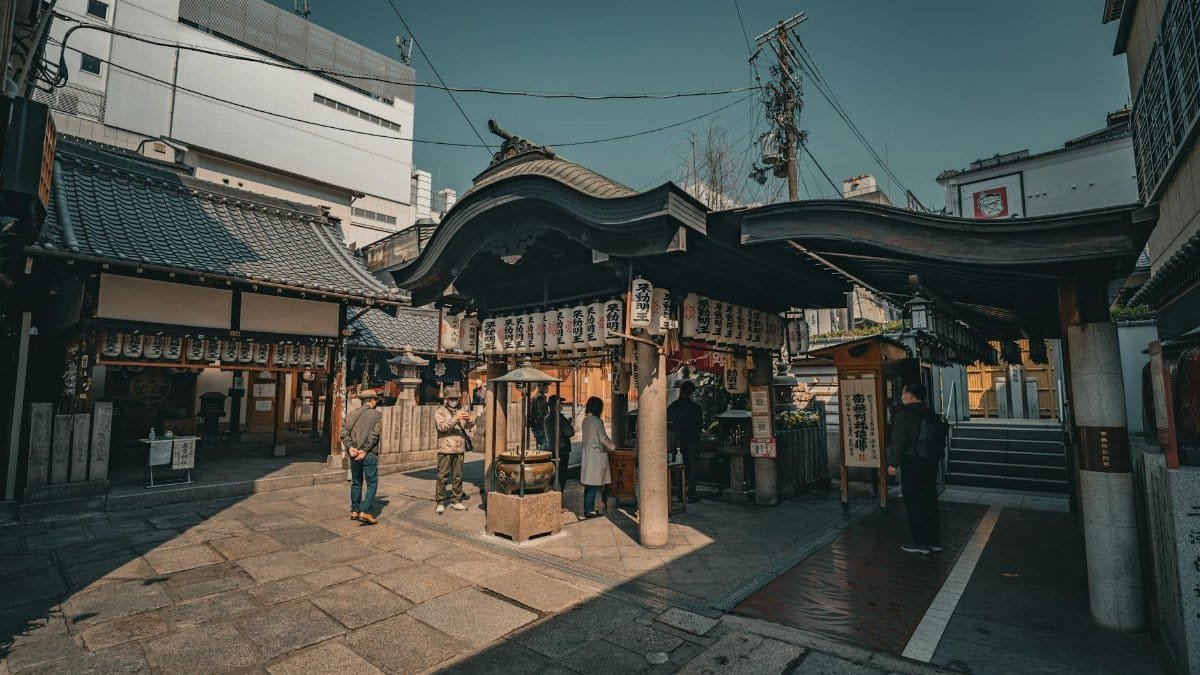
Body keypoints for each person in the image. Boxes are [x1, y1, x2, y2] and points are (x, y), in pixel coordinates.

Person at [886, 383, 942, 554]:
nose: (902, 395)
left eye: (904, 392)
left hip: (912, 463)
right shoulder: (931, 414)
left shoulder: (904, 415)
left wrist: (893, 463)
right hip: (930, 462)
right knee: (930, 499)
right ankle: (934, 541)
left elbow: (899, 441)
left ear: (910, 395)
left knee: (914, 501)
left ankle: (920, 542)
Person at [342, 389, 383, 525]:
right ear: (371, 400)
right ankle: (365, 511)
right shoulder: (376, 415)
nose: (376, 402)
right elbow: (373, 436)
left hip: (353, 453)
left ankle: (354, 510)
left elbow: (344, 432)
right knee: (372, 483)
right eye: (375, 400)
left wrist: (350, 448)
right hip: (369, 454)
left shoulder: (351, 414)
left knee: (356, 481)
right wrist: (364, 450)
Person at [434, 382, 474, 514]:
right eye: (451, 399)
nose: (453, 401)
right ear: (446, 399)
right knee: (442, 476)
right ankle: (440, 502)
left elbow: (468, 427)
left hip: (459, 447)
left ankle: (456, 500)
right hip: (445, 448)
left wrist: (469, 420)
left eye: (455, 399)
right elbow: (442, 427)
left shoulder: (461, 410)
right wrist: (455, 419)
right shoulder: (440, 411)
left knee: (458, 476)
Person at [668, 380, 704, 503]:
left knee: (679, 467)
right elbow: (699, 425)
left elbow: (669, 425)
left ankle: (680, 494)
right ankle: (692, 494)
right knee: (693, 467)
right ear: (692, 393)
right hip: (693, 440)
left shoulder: (673, 406)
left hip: (678, 441)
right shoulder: (696, 408)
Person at [580, 396, 615, 518]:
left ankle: (587, 508)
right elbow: (603, 438)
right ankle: (589, 510)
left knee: (589, 484)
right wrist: (613, 446)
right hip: (596, 455)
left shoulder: (585, 420)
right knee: (594, 484)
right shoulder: (597, 421)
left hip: (588, 454)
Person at [543, 395, 575, 479]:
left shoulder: (546, 418)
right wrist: (568, 423)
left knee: (553, 475)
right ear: (556, 405)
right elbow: (570, 432)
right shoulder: (560, 418)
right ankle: (560, 491)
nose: (562, 405)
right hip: (562, 451)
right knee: (561, 475)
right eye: (560, 403)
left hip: (550, 450)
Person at [528, 383, 550, 450]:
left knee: (540, 443)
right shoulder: (540, 397)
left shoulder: (539, 397)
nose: (547, 388)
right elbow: (541, 413)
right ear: (540, 386)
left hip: (537, 424)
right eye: (546, 386)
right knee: (542, 444)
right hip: (540, 425)